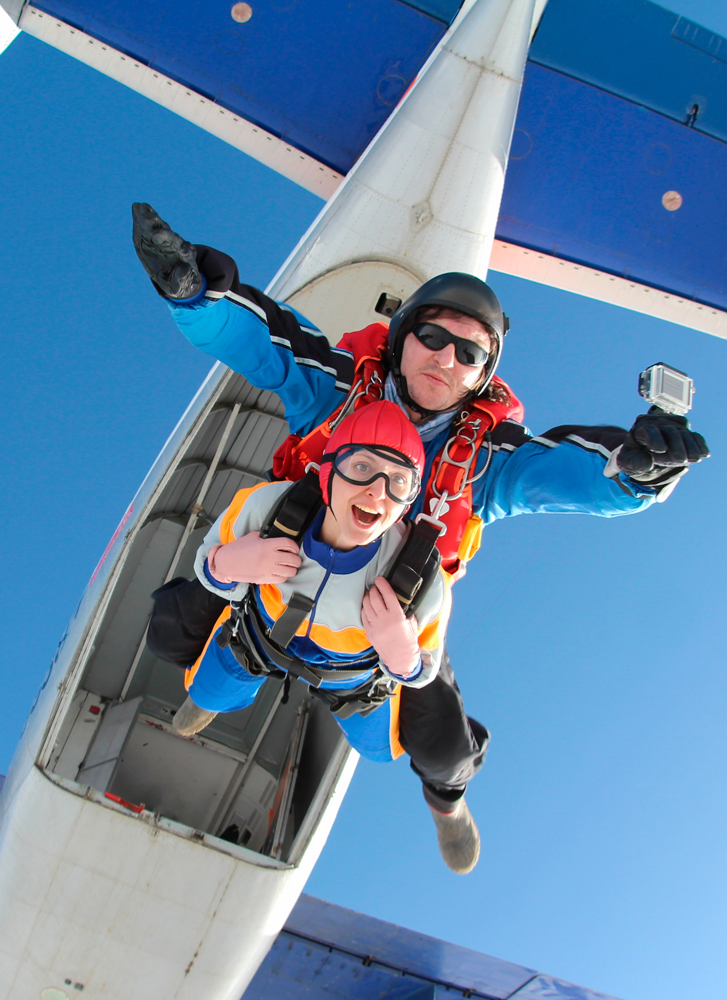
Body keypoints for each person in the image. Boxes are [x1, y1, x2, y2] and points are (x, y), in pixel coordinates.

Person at [132, 202, 710, 874]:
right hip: (281, 583)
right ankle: (206, 704)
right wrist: (196, 296)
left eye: (470, 353)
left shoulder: (487, 459)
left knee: (442, 747)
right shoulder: (340, 390)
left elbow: (565, 472)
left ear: (483, 375)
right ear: (402, 336)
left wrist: (639, 472)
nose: (445, 358)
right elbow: (267, 344)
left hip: (383, 637)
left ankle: (448, 804)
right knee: (177, 631)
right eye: (433, 337)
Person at [178, 401, 452, 789]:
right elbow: (206, 563)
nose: (377, 492)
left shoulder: (421, 575)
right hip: (257, 639)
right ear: (328, 472)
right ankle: (205, 703)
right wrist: (226, 564)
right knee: (205, 693)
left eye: (399, 481)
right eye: (362, 468)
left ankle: (445, 792)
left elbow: (425, 665)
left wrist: (403, 656)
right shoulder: (268, 506)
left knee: (379, 750)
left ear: (408, 502)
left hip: (352, 679)